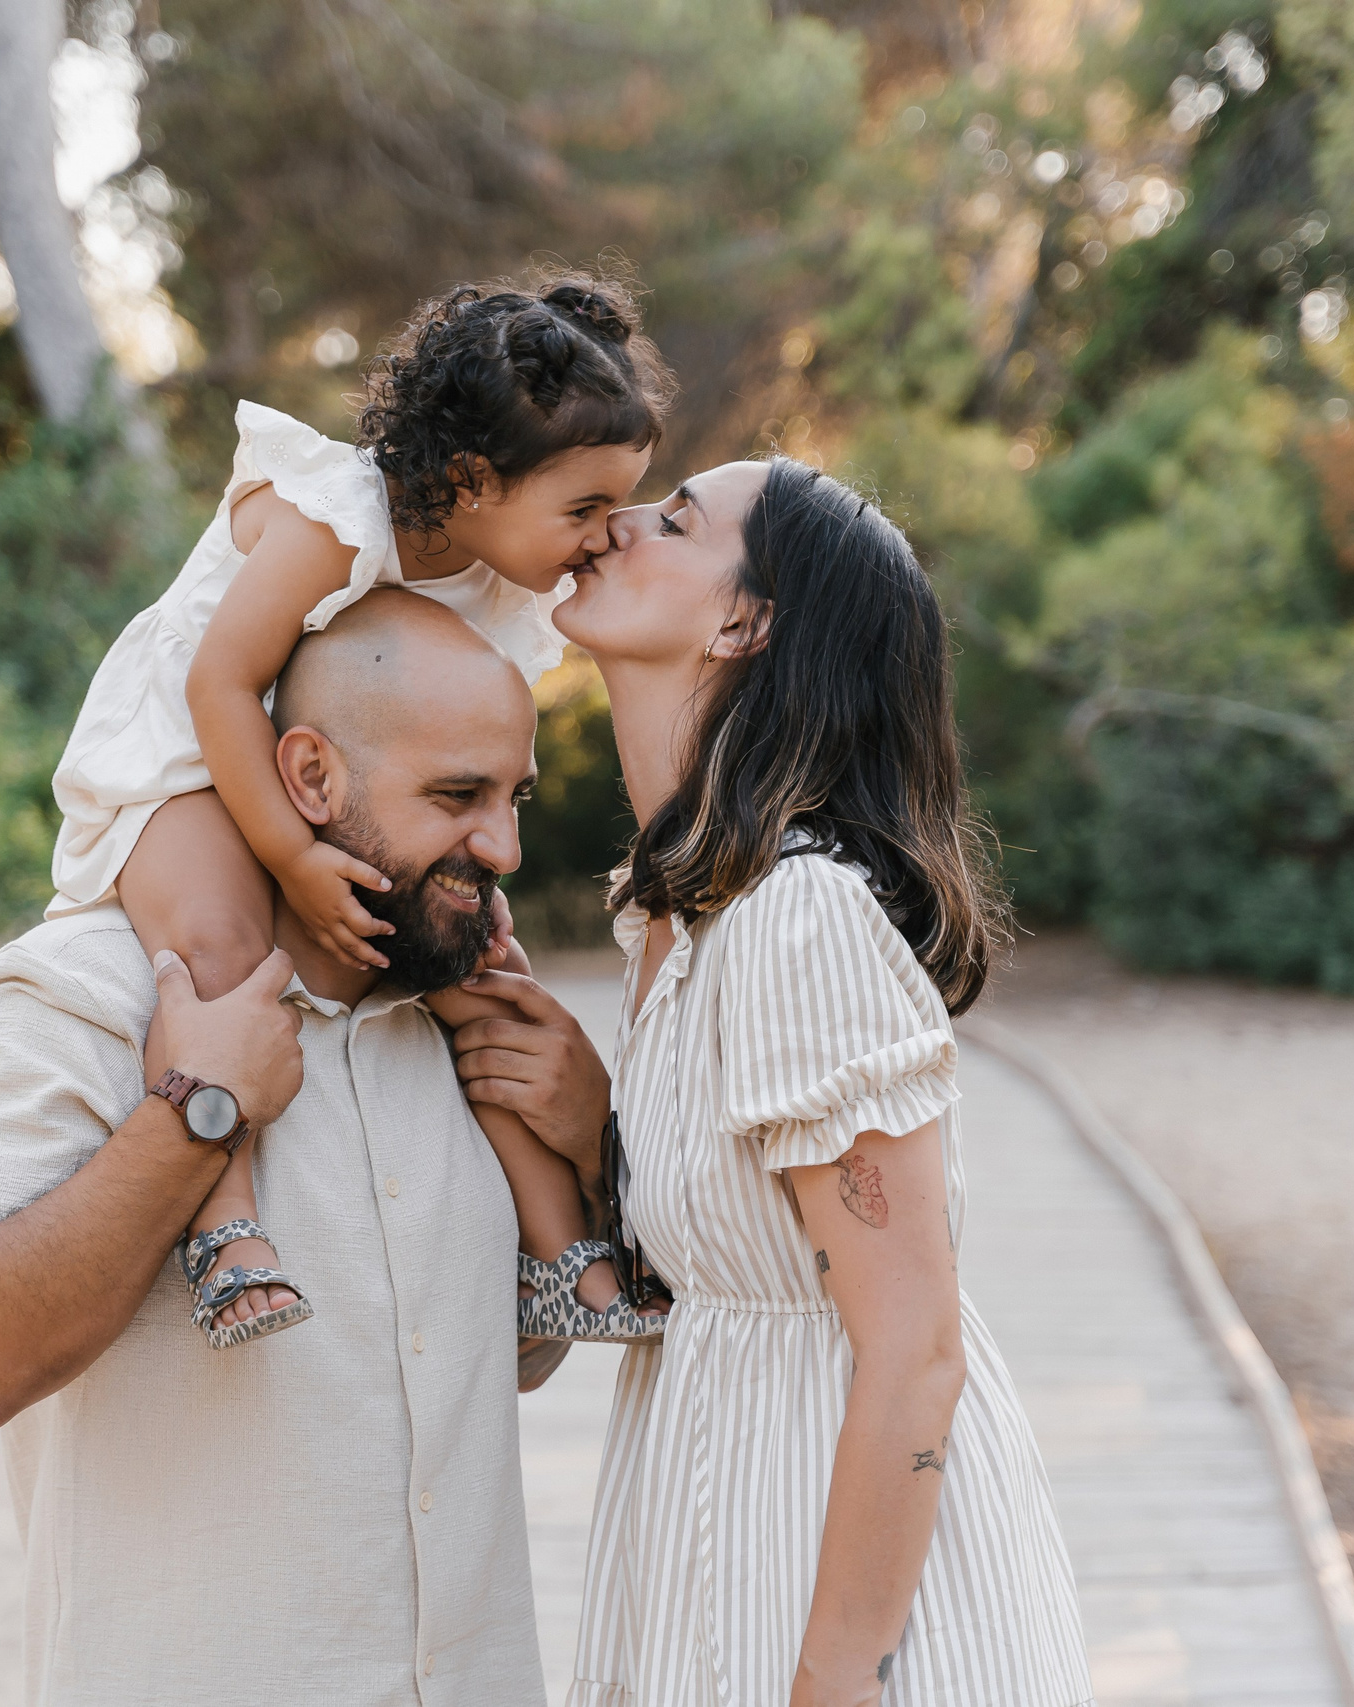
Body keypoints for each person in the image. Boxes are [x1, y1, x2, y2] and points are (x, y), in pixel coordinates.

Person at [0, 592, 618, 1704]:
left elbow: (502, 1364)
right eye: (457, 796)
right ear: (310, 776)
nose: (504, 846)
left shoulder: (460, 1022)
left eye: (513, 797)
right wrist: (197, 1114)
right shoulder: (78, 998)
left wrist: (586, 1151)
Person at [506, 457, 1098, 1706]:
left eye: (672, 521)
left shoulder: (796, 916)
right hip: (712, 1517)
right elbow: (722, 1253)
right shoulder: (674, 914)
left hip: (834, 1571)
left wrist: (834, 1678)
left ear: (744, 622)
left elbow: (915, 1347)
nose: (615, 522)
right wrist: (595, 1123)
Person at [47, 270, 676, 1348]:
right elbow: (217, 683)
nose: (601, 535)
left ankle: (560, 1256)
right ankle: (226, 1227)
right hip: (187, 750)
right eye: (583, 508)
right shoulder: (338, 519)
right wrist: (293, 860)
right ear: (473, 479)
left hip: (327, 764)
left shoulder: (499, 573)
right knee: (218, 950)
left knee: (483, 970)